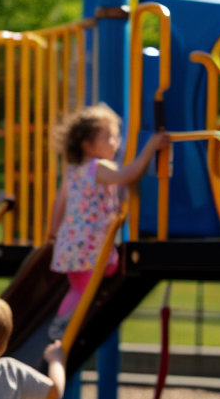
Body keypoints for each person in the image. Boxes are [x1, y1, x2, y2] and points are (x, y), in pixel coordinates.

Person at [44, 105, 169, 342]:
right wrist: (150, 148)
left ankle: (60, 325)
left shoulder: (73, 172)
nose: (116, 142)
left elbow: (59, 203)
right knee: (85, 290)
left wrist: (52, 232)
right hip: (90, 245)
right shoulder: (98, 167)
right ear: (88, 146)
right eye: (109, 137)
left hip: (70, 245)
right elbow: (128, 175)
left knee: (78, 287)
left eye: (116, 136)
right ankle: (63, 329)